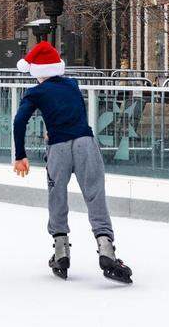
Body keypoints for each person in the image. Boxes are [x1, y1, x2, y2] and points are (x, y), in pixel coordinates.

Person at [11, 41, 132, 283]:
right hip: (85, 143)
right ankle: (106, 248)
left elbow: (19, 121)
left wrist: (20, 155)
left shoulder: (35, 92)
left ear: (35, 70)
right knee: (95, 195)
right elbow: (68, 108)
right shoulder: (72, 83)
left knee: (57, 196)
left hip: (58, 147)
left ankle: (61, 251)